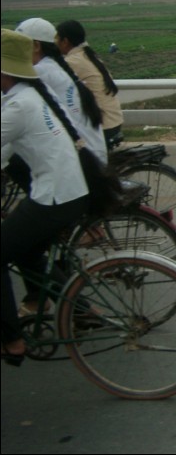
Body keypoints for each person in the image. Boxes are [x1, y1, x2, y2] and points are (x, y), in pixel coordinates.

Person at [1, 29, 121, 366]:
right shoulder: (27, 96)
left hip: (55, 198)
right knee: (26, 253)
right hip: (68, 193)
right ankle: (82, 308)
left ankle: (11, 341)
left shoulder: (20, 104)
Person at [16, 18, 107, 165]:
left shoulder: (41, 71)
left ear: (36, 46)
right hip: (92, 151)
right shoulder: (55, 66)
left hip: (83, 157)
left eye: (19, 45)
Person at [54, 20, 124, 150]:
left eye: (57, 38)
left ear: (65, 41)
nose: (55, 43)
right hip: (113, 120)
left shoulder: (72, 61)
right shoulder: (88, 56)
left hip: (101, 126)